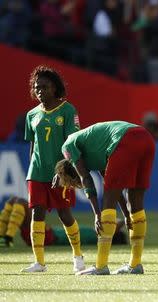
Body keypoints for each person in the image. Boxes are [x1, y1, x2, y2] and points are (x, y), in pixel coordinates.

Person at [54, 121, 155, 275]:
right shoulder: (96, 150)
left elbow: (86, 179)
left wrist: (97, 214)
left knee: (108, 203)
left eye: (70, 183)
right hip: (145, 138)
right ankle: (135, 265)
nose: (74, 185)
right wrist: (126, 216)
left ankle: (101, 266)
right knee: (135, 204)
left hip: (124, 139)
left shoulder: (68, 146)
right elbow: (115, 188)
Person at [21, 65, 84, 273]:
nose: (40, 91)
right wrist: (31, 171)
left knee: (64, 214)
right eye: (37, 88)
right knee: (36, 214)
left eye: (45, 87)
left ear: (55, 88)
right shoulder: (31, 115)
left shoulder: (68, 110)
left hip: (60, 172)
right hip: (37, 172)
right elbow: (33, 145)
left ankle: (78, 257)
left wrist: (64, 171)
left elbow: (72, 142)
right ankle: (39, 262)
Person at [0, 196, 128, 247]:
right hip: (44, 235)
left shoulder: (95, 236)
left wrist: (126, 219)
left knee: (20, 203)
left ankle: (8, 238)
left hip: (46, 237)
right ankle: (2, 238)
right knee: (13, 201)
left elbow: (118, 223)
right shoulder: (92, 234)